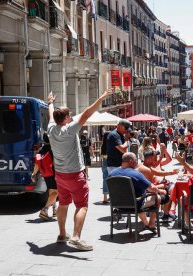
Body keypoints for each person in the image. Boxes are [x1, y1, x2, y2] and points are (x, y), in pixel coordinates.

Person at [47, 87, 113, 251]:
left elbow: (50, 114)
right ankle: (76, 237)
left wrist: (50, 103)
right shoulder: (70, 129)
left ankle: (62, 234)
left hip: (60, 175)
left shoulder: (50, 129)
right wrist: (102, 96)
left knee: (63, 204)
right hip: (75, 174)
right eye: (69, 116)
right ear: (67, 118)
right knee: (81, 205)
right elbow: (87, 113)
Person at [108, 152, 166, 233]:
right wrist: (161, 191)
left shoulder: (111, 174)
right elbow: (152, 188)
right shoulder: (136, 174)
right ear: (131, 161)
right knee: (157, 197)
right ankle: (152, 224)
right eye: (136, 160)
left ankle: (146, 224)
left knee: (137, 199)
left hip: (117, 206)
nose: (137, 162)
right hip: (135, 205)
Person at [137, 149, 179, 221]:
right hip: (150, 193)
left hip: (154, 188)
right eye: (155, 158)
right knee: (167, 196)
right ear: (150, 159)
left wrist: (172, 173)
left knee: (172, 188)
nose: (157, 160)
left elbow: (158, 173)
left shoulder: (144, 166)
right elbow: (149, 188)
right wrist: (162, 186)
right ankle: (164, 215)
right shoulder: (145, 169)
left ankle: (166, 214)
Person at [31, 133, 58, 221]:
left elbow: (37, 164)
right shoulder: (54, 149)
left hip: (46, 174)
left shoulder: (41, 149)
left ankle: (55, 209)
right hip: (54, 173)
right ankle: (45, 210)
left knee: (51, 192)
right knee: (55, 192)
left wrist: (34, 174)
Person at [100, 132, 110, 204]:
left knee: (105, 179)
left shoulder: (102, 145)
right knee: (113, 179)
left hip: (104, 162)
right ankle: (112, 196)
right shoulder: (111, 144)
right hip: (111, 162)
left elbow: (101, 156)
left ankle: (105, 197)